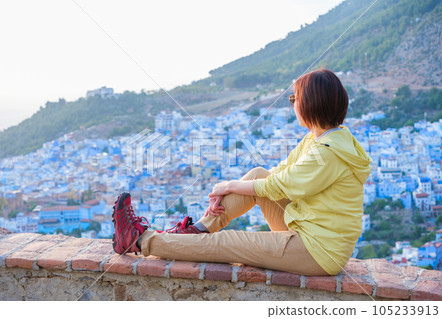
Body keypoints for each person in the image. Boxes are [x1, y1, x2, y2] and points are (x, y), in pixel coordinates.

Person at [111, 69, 372, 276]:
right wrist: (232, 186)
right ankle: (199, 230)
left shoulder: (327, 152)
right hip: (306, 230)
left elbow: (281, 185)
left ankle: (140, 241)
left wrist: (229, 186)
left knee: (226, 243)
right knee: (259, 173)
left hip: (317, 251)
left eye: (295, 99)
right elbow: (274, 175)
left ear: (309, 105)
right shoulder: (323, 138)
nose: (293, 105)